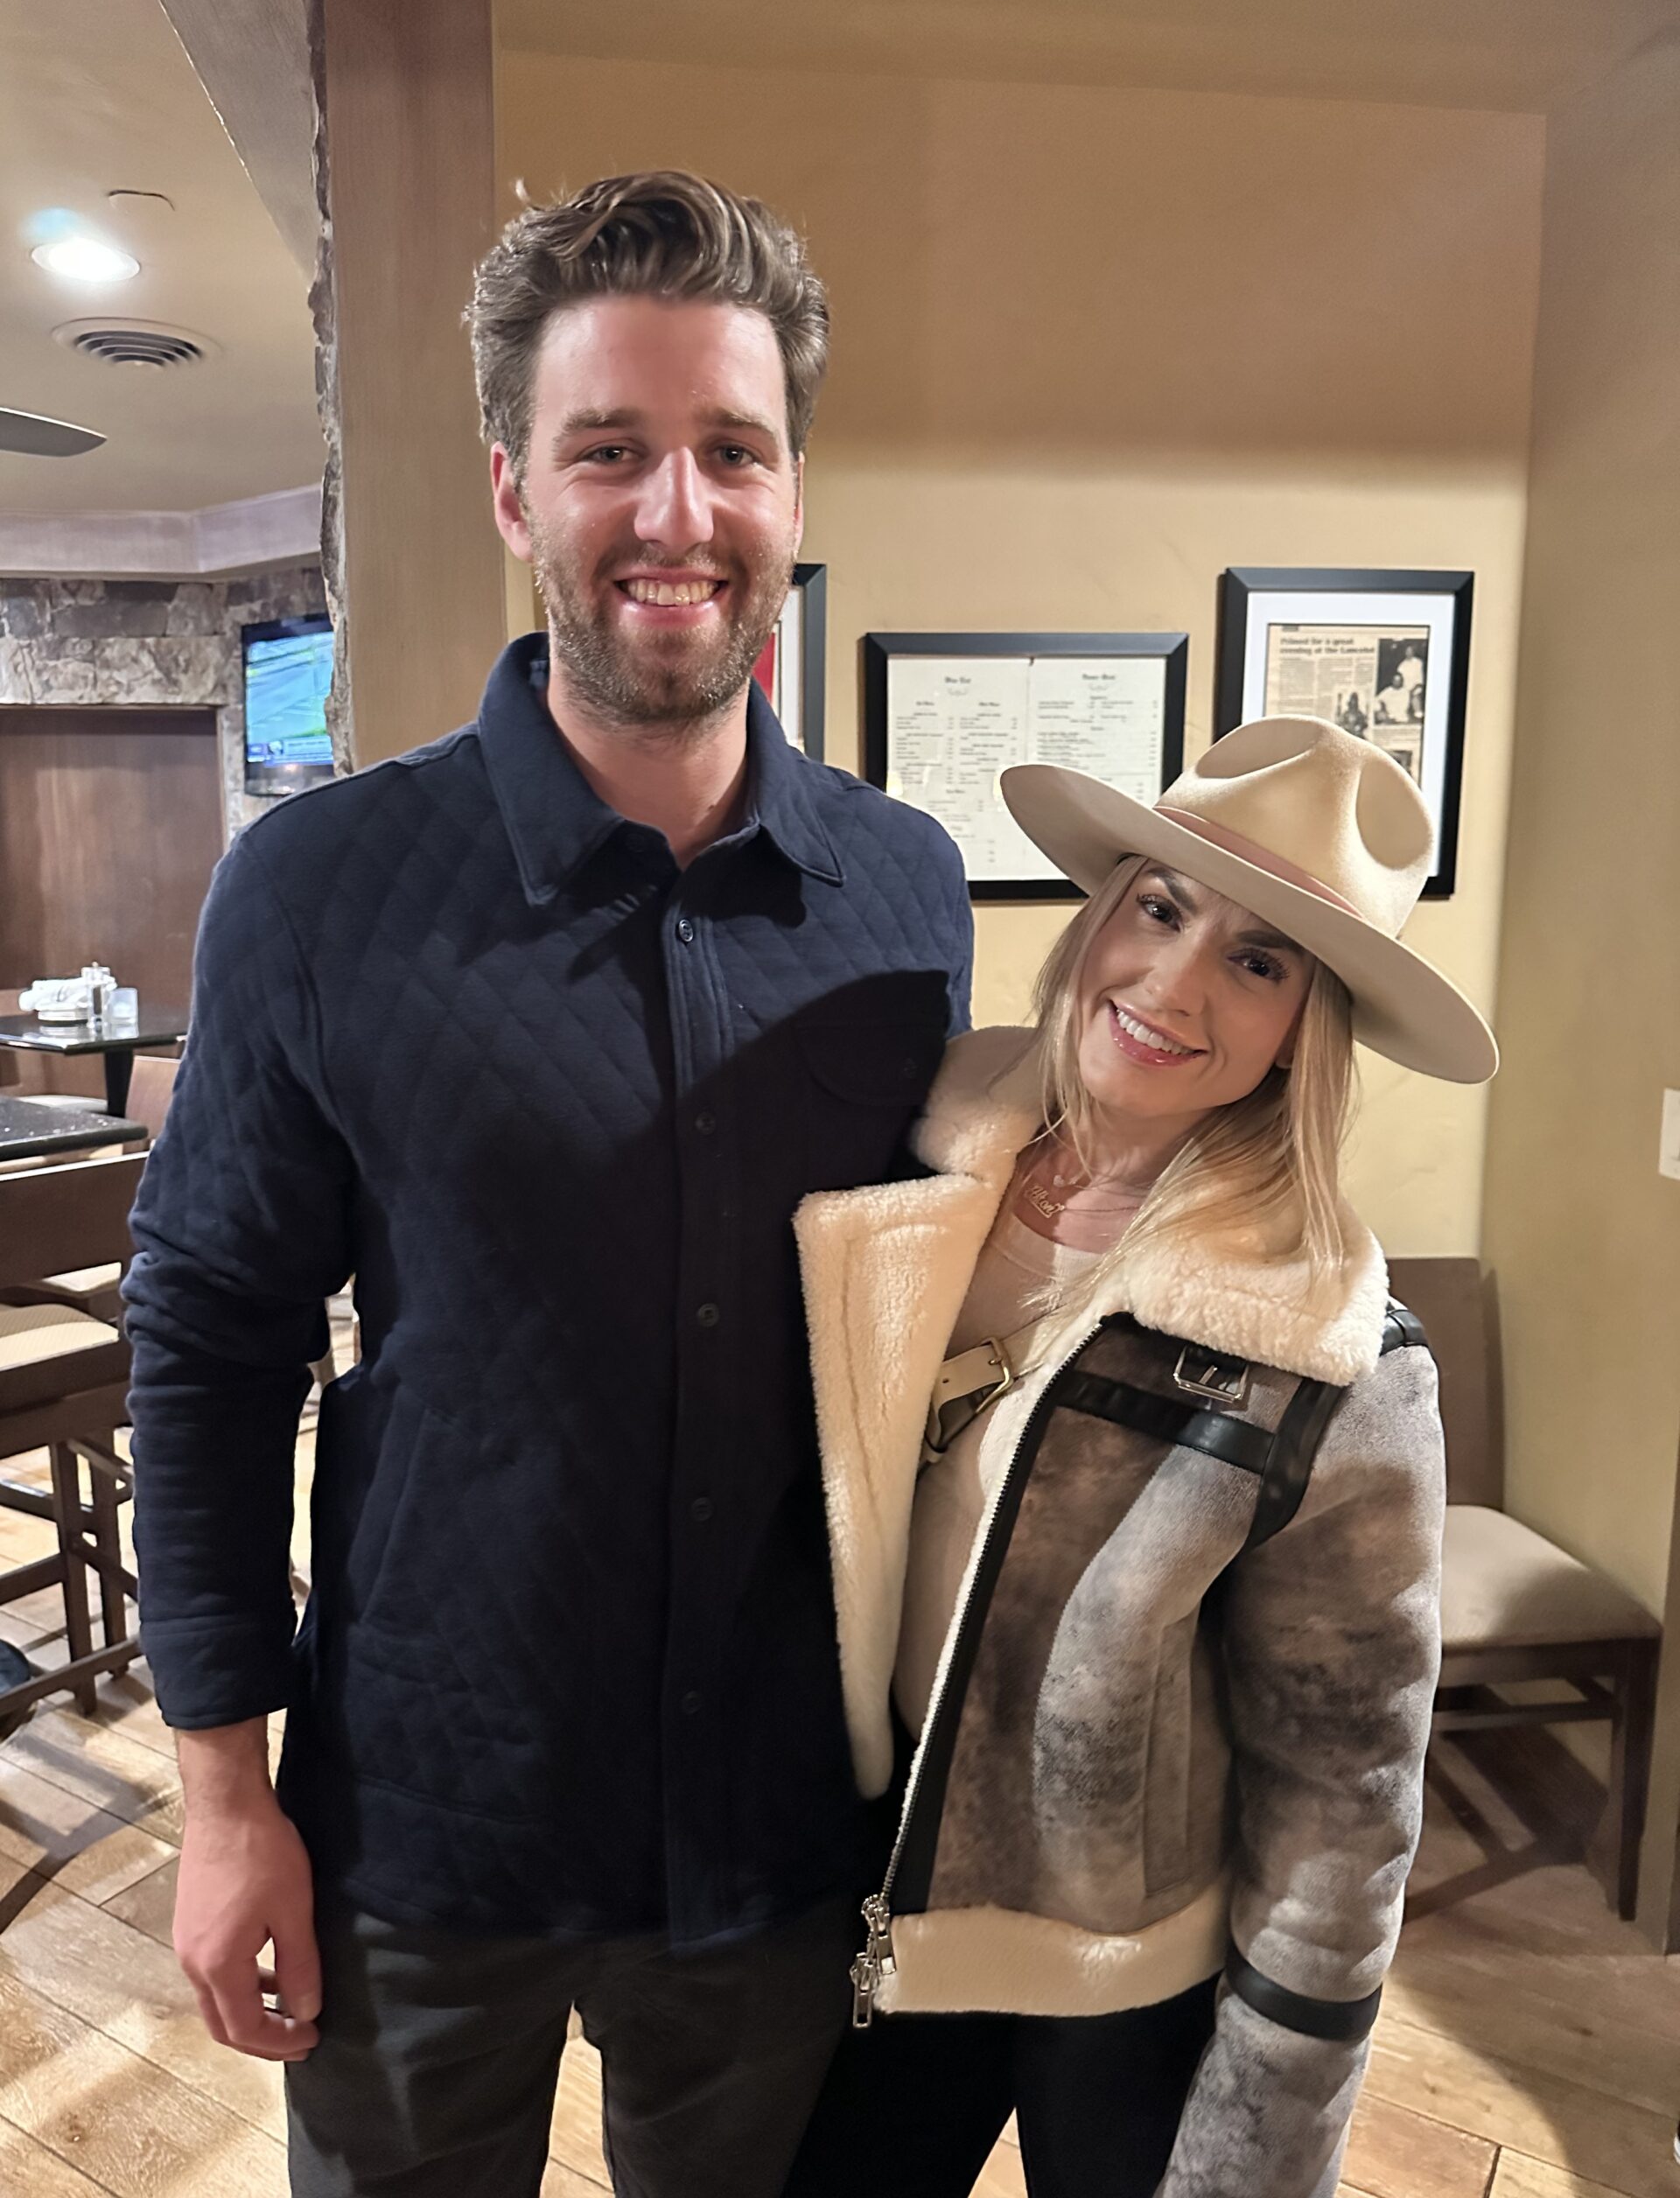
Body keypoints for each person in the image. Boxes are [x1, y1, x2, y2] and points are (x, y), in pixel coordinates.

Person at [122, 171, 972, 2198]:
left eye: (732, 450)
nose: (678, 510)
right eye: (611, 450)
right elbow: (212, 1343)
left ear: (792, 491)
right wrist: (225, 1794)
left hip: (774, 1825)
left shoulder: (905, 894)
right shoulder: (315, 891)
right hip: (427, 1814)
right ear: (515, 491)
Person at [784, 714, 1497, 2198]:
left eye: (1260, 962)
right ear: (1100, 912)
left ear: (1307, 1028)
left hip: (1122, 1978)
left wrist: (1263, 2136)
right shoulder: (907, 1157)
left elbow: (1344, 1802)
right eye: (1162, 909)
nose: (1174, 984)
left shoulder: (1326, 1349)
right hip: (859, 1890)